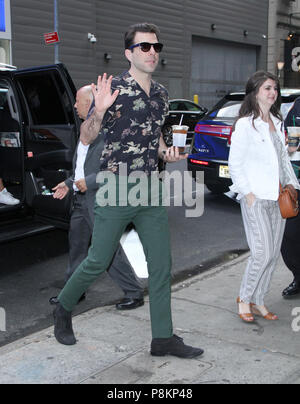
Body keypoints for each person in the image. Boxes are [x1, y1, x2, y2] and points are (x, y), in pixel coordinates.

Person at [52, 22, 204, 358]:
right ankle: (62, 308)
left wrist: (170, 154)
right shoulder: (113, 88)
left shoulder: (162, 95)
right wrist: (100, 110)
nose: (152, 53)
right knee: (98, 259)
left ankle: (162, 338)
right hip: (115, 187)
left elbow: (158, 142)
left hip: (149, 188)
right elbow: (87, 137)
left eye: (156, 47)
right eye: (144, 47)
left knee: (162, 266)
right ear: (128, 53)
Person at [50, 85, 144, 310]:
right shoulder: (85, 129)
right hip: (81, 200)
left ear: (93, 103)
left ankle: (134, 292)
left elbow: (120, 168)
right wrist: (69, 182)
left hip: (101, 199)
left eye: (78, 101)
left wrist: (88, 182)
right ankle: (75, 291)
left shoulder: (112, 130)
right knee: (77, 247)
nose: (74, 105)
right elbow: (82, 167)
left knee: (107, 250)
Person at [228, 71, 300, 323]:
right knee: (261, 252)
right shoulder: (245, 124)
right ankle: (245, 299)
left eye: (275, 88)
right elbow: (235, 164)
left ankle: (259, 299)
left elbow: (281, 159)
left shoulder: (277, 121)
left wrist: (292, 183)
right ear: (255, 91)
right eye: (267, 88)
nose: (273, 93)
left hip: (279, 197)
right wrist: (247, 193)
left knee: (272, 254)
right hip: (256, 197)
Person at [281, 99, 300, 298]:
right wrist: (288, 146)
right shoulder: (297, 105)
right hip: (295, 183)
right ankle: (298, 277)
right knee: (289, 237)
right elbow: (285, 136)